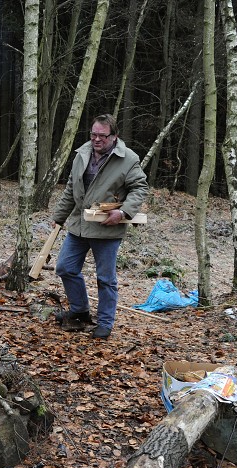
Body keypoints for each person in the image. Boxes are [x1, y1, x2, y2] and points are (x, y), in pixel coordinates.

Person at [51, 114, 149, 339]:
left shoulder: (128, 159)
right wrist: (59, 216)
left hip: (107, 228)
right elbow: (71, 187)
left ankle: (105, 323)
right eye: (93, 134)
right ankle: (80, 311)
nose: (96, 140)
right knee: (65, 267)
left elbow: (140, 188)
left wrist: (123, 212)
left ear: (114, 136)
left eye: (102, 136)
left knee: (105, 279)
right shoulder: (82, 153)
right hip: (79, 225)